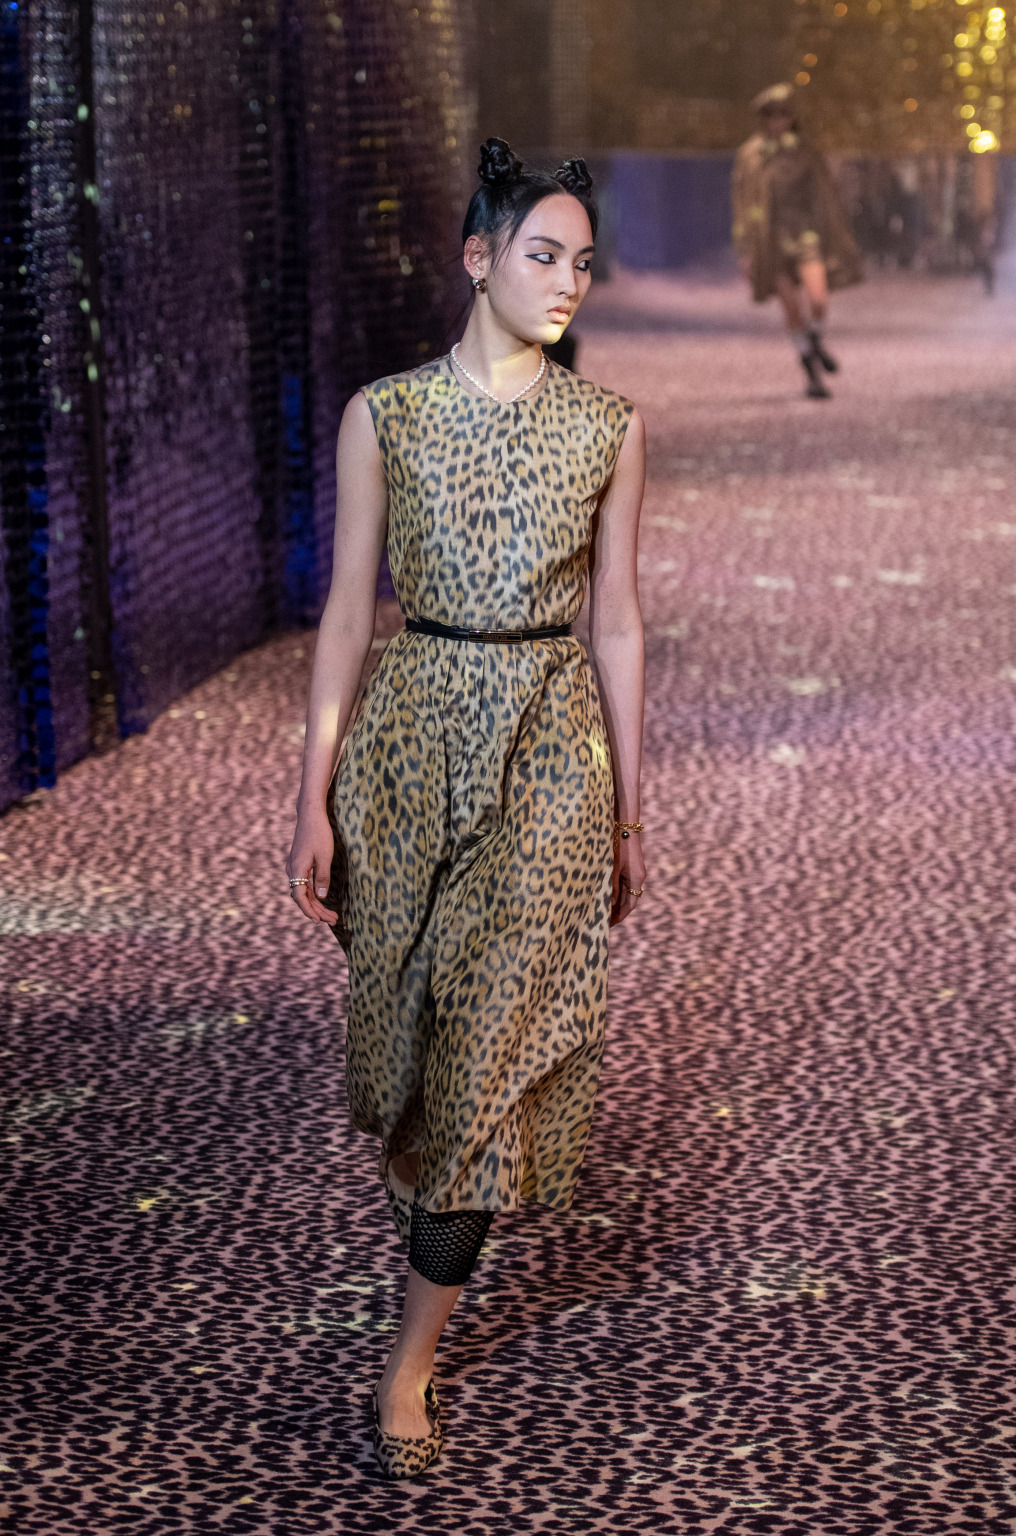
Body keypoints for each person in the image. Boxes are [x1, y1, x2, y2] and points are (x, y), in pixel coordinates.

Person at [285, 136, 647, 1478]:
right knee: (410, 1063)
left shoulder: (609, 429)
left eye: (584, 264)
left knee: (487, 1067)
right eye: (543, 256)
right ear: (477, 258)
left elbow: (618, 623)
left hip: (550, 755)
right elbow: (344, 615)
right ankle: (435, 1207)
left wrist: (627, 816)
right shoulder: (383, 416)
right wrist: (311, 797)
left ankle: (410, 1365)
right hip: (407, 750)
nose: (567, 283)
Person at [732, 82, 862, 399]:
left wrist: (830, 232)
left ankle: (815, 343)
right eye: (772, 115)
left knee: (818, 299)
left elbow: (823, 194)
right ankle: (812, 373)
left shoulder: (804, 151)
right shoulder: (751, 154)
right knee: (792, 308)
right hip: (771, 240)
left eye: (784, 114)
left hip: (804, 233)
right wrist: (745, 249)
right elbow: (742, 202)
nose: (779, 121)